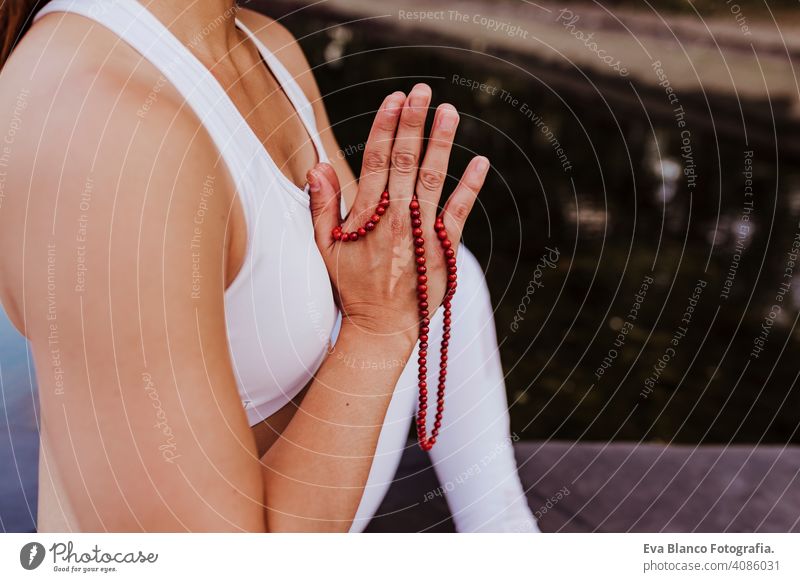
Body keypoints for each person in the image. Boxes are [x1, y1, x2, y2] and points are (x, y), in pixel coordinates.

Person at [0, 0, 538, 532]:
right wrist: (377, 330)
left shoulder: (261, 45)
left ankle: (508, 539)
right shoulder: (106, 133)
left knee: (433, 264)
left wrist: (391, 298)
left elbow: (388, 263)